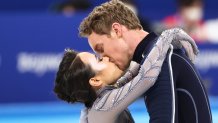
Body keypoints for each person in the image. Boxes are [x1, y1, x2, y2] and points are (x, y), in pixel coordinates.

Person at [78, 0, 212, 123]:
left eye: (101, 49)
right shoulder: (154, 57)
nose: (104, 57)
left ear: (116, 30)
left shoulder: (160, 58)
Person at [54, 27, 198, 123]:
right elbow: (146, 78)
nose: (105, 57)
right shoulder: (103, 107)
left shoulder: (98, 103)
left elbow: (130, 76)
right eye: (98, 59)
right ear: (95, 80)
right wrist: (169, 35)